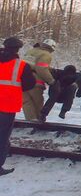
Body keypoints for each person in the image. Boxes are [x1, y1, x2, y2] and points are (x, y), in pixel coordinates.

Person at [0, 37, 36, 176]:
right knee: (2, 137)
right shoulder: (21, 65)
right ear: (18, 49)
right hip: (7, 106)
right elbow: (30, 84)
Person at [22, 39, 57, 121]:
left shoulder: (30, 51)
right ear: (51, 49)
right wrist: (51, 80)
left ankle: (31, 121)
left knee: (27, 102)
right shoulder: (46, 54)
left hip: (22, 80)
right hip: (35, 81)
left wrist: (50, 69)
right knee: (37, 102)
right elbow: (41, 68)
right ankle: (39, 122)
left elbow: (32, 64)